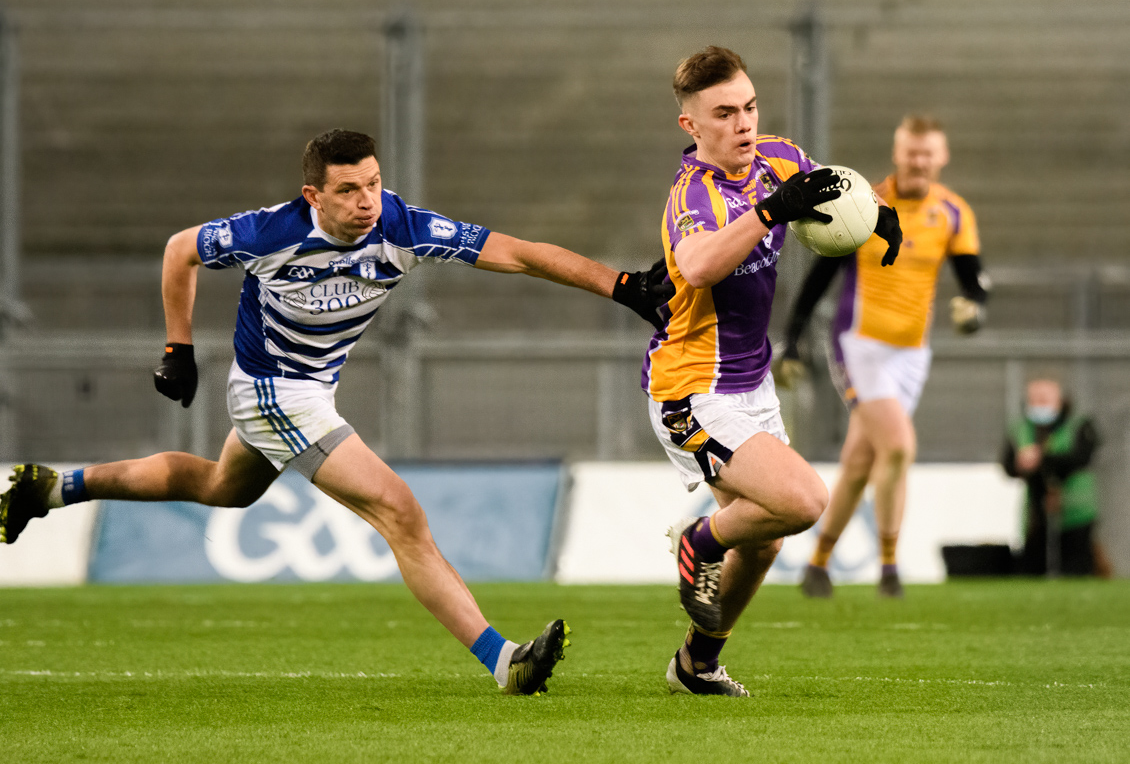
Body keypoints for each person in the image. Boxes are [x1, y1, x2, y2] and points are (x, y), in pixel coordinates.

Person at [0, 128, 673, 696]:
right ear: (313, 196)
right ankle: (505, 662)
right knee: (400, 510)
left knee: (216, 486)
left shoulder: (401, 225)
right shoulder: (271, 233)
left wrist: (619, 285)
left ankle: (51, 486)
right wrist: (177, 345)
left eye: (373, 184)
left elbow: (519, 253)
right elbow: (181, 249)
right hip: (269, 390)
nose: (366, 201)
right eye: (349, 190)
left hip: (310, 394)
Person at [643, 46, 902, 697]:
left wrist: (875, 214)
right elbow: (699, 266)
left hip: (750, 384)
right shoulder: (691, 196)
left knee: (764, 542)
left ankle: (695, 665)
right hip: (693, 389)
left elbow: (829, 189)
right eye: (724, 113)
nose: (744, 124)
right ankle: (698, 540)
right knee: (802, 501)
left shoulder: (777, 160)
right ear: (691, 126)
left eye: (750, 106)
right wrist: (767, 212)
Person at [783, 115, 989, 599]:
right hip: (859, 345)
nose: (919, 161)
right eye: (911, 152)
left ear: (941, 158)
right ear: (898, 154)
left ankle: (817, 565)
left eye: (928, 153)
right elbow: (819, 277)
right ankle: (891, 568)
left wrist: (974, 308)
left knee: (860, 461)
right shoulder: (864, 205)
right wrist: (792, 338)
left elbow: (973, 279)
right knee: (897, 446)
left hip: (912, 354)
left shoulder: (953, 212)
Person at [1002, 376, 1110, 577]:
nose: (1038, 404)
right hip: (1036, 508)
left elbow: (1081, 457)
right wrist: (1020, 464)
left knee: (1076, 565)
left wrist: (1042, 459)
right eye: (1034, 399)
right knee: (1033, 564)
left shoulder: (1080, 425)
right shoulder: (1021, 428)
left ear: (1061, 399)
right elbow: (1008, 465)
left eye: (1044, 398)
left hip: (1075, 507)